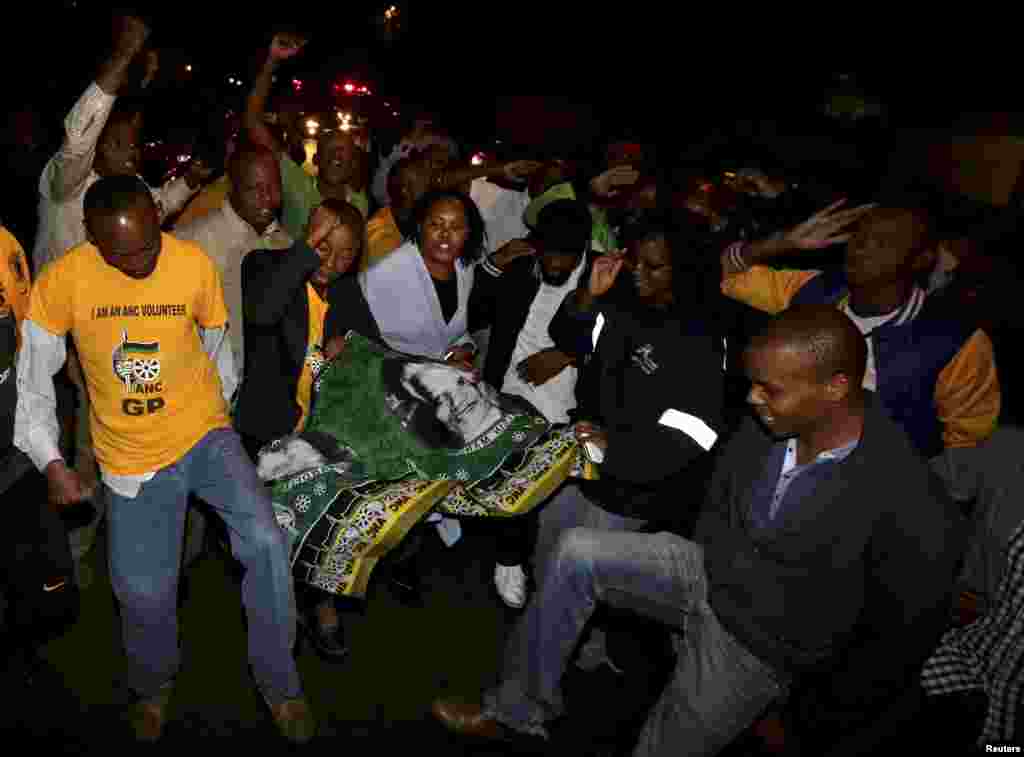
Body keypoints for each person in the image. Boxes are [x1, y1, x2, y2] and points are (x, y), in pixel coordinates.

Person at [432, 305, 965, 756]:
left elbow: (899, 637)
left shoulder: (907, 496)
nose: (753, 400)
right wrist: (701, 580)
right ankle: (519, 707)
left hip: (761, 643)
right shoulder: (772, 423)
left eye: (770, 390)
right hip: (710, 573)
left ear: (836, 389)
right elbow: (718, 501)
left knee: (664, 743)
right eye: (753, 385)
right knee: (576, 551)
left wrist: (813, 715)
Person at [13, 176, 313, 743]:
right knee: (143, 591)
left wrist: (215, 402)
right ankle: (152, 686)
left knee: (269, 544)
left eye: (149, 244)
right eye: (123, 255)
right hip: (130, 458)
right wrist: (52, 460)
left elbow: (216, 333)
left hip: (203, 433)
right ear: (93, 239)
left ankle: (281, 684)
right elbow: (33, 383)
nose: (141, 262)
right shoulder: (63, 281)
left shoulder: (191, 263)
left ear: (157, 217)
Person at [721, 201, 1000, 507]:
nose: (861, 249)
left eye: (882, 243)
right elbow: (730, 278)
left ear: (921, 259)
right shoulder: (815, 291)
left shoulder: (955, 342)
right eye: (858, 237)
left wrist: (900, 508)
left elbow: (965, 456)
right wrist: (783, 243)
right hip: (784, 470)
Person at [235, 199, 363, 661]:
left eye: (345, 253)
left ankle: (318, 604)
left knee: (319, 526)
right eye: (323, 246)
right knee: (273, 537)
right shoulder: (267, 265)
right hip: (268, 428)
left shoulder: (347, 292)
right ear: (307, 235)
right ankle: (278, 622)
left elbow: (370, 344)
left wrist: (346, 345)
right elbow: (263, 312)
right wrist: (305, 253)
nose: (331, 261)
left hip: (319, 432)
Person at [468, 198, 596, 607]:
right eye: (548, 255)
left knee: (535, 486)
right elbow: (476, 311)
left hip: (568, 398)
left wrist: (567, 353)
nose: (554, 265)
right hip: (509, 388)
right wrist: (494, 263)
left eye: (565, 258)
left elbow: (620, 339)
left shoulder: (603, 276)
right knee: (514, 470)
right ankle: (509, 558)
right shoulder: (524, 267)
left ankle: (516, 557)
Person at [2, 224, 78, 687]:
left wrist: (48, 457)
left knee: (41, 583)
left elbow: (27, 367)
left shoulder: (7, 250)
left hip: (12, 460)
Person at [174, 144, 292, 376]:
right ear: (232, 189)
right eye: (254, 188)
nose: (266, 197)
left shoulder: (285, 244)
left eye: (273, 186)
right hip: (210, 388)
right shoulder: (191, 243)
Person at [244, 32, 369, 242]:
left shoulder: (359, 204)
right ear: (316, 159)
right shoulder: (296, 183)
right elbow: (253, 121)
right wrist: (272, 62)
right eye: (330, 150)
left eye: (343, 151)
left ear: (353, 163)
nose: (336, 156)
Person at [363, 155, 432, 270]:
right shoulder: (380, 236)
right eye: (422, 182)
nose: (429, 187)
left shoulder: (414, 218)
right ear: (404, 190)